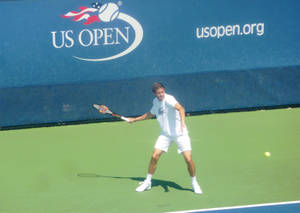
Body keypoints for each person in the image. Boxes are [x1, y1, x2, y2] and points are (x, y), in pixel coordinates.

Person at [128, 82, 202, 194]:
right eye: (159, 93)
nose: (161, 94)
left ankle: (194, 183)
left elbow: (181, 109)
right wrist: (134, 119)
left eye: (162, 92)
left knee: (188, 159)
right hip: (166, 135)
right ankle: (148, 182)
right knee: (154, 156)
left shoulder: (169, 99)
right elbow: (150, 114)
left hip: (180, 134)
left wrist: (182, 122)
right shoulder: (155, 102)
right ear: (154, 94)